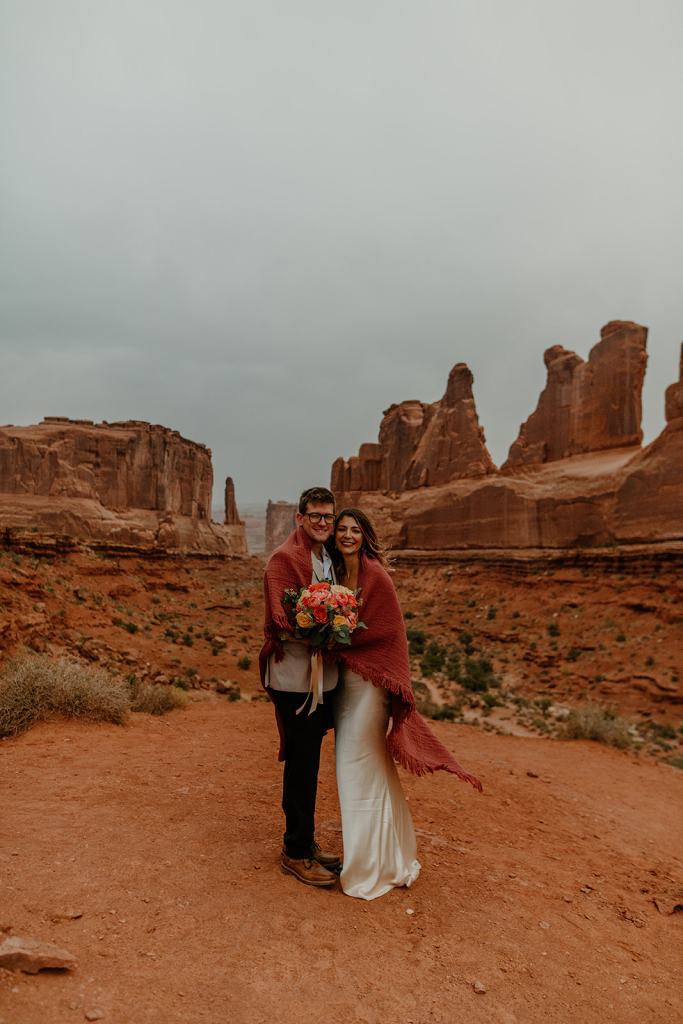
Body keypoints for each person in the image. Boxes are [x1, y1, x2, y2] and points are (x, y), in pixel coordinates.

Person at [329, 507, 483, 900]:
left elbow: (389, 634)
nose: (347, 535)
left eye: (354, 530)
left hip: (371, 687)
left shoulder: (375, 575)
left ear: (365, 536)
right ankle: (390, 858)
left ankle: (366, 869)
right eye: (341, 529)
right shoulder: (333, 573)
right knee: (371, 770)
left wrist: (340, 639)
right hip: (347, 683)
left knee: (354, 769)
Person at [259, 486, 342, 888]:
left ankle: (305, 845)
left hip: (321, 678)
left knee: (309, 761)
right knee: (302, 762)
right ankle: (294, 851)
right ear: (300, 519)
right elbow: (279, 621)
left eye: (328, 516)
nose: (323, 523)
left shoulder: (326, 557)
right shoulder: (283, 560)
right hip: (294, 679)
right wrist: (322, 631)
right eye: (316, 516)